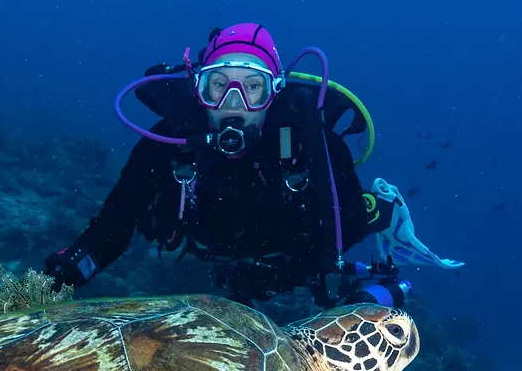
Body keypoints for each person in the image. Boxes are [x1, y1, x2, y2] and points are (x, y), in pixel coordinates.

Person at [45, 23, 462, 307]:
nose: (234, 105)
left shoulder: (310, 140)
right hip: (214, 241)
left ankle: (386, 210)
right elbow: (114, 223)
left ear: (274, 94)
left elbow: (340, 232)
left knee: (362, 214)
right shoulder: (169, 140)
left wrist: (282, 277)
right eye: (219, 86)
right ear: (198, 88)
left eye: (252, 88)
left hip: (286, 246)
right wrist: (62, 277)